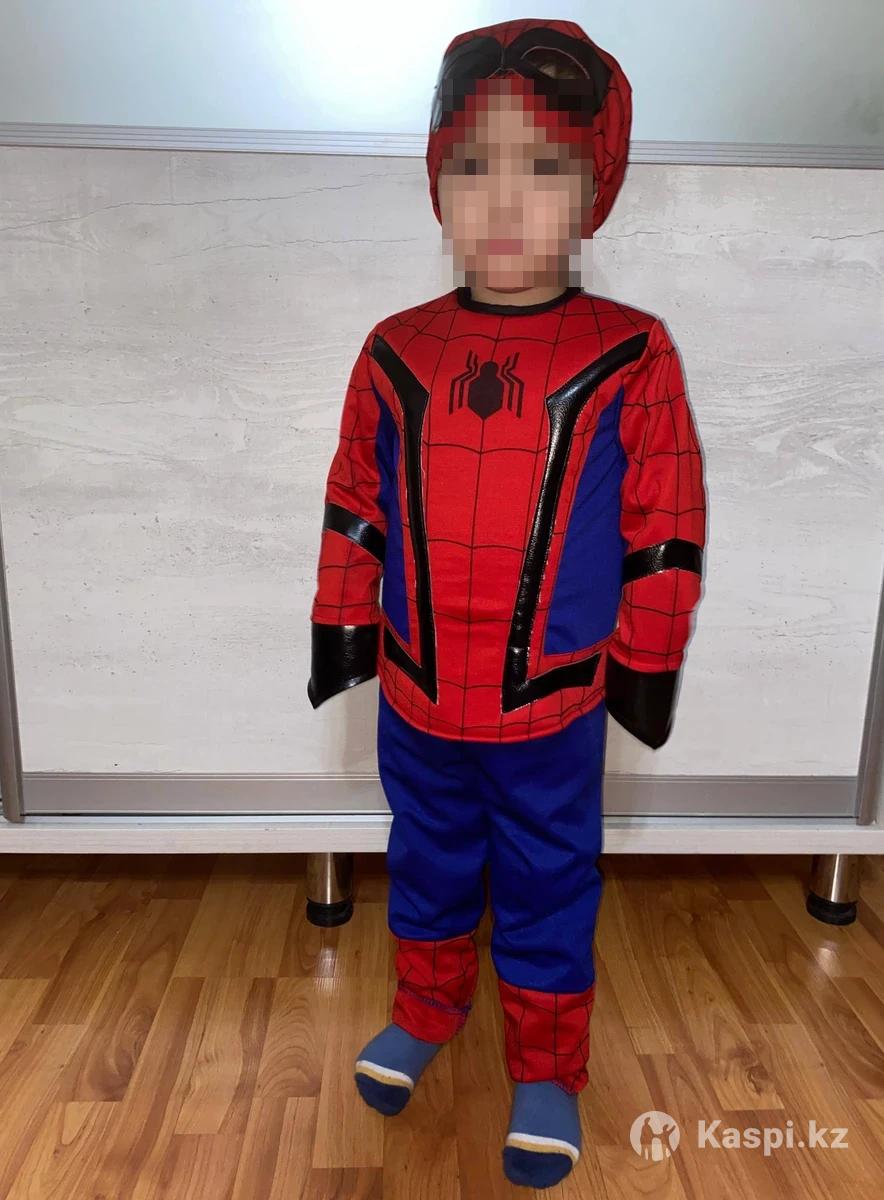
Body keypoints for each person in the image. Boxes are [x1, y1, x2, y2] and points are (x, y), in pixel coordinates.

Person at [307, 17, 707, 1190]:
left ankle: (546, 1067)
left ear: (595, 189)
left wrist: (647, 661)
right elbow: (354, 501)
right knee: (427, 862)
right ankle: (425, 1012)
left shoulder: (633, 353)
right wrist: (342, 625)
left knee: (547, 880)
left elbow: (667, 524)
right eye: (475, 163)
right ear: (438, 182)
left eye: (544, 166)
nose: (504, 199)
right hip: (419, 694)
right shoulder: (395, 349)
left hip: (552, 707)